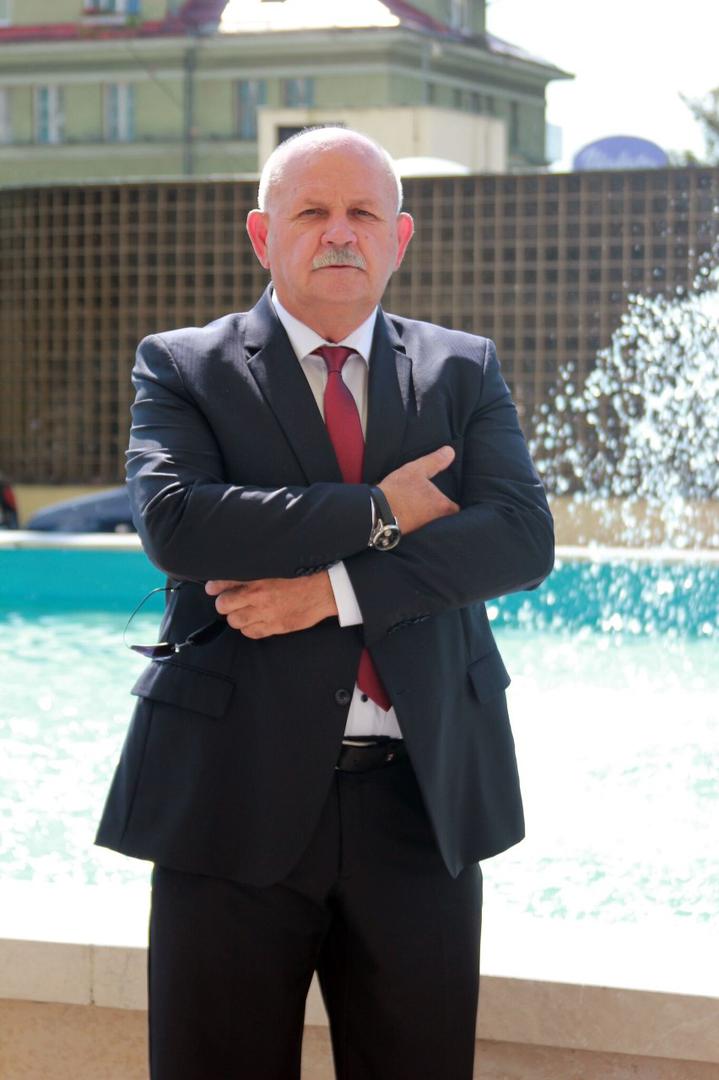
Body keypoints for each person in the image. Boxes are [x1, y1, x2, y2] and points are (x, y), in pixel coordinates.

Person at [96, 126, 554, 1080]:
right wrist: (384, 511)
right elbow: (178, 524)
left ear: (399, 237)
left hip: (420, 801)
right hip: (229, 797)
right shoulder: (183, 365)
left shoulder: (462, 369)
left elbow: (519, 538)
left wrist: (332, 592)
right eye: (311, 211)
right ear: (262, 235)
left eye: (362, 213)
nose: (339, 232)